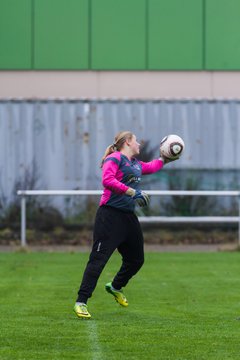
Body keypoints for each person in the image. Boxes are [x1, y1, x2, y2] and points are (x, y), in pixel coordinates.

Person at [74, 130, 178, 319]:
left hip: (128, 218)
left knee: (136, 260)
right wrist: (132, 192)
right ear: (128, 142)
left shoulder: (136, 164)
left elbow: (151, 167)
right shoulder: (114, 159)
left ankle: (115, 286)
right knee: (98, 260)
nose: (139, 144)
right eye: (136, 141)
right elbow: (107, 180)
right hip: (109, 217)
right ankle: (81, 302)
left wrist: (165, 158)